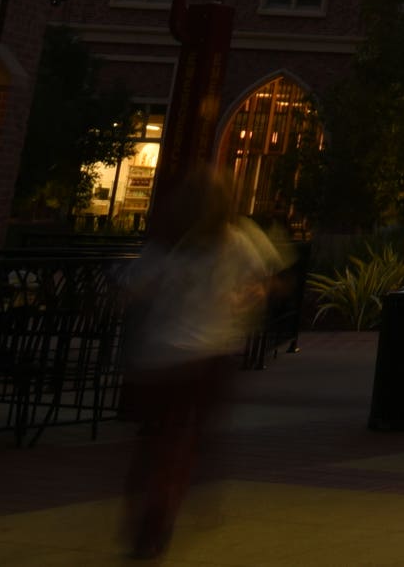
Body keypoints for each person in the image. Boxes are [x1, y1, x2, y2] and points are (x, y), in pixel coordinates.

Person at [120, 169, 287, 559]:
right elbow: (270, 281)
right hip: (210, 355)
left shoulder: (165, 245)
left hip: (160, 356)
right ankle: (171, 506)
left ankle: (145, 516)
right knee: (190, 438)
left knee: (151, 441)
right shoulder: (239, 240)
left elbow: (131, 288)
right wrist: (250, 295)